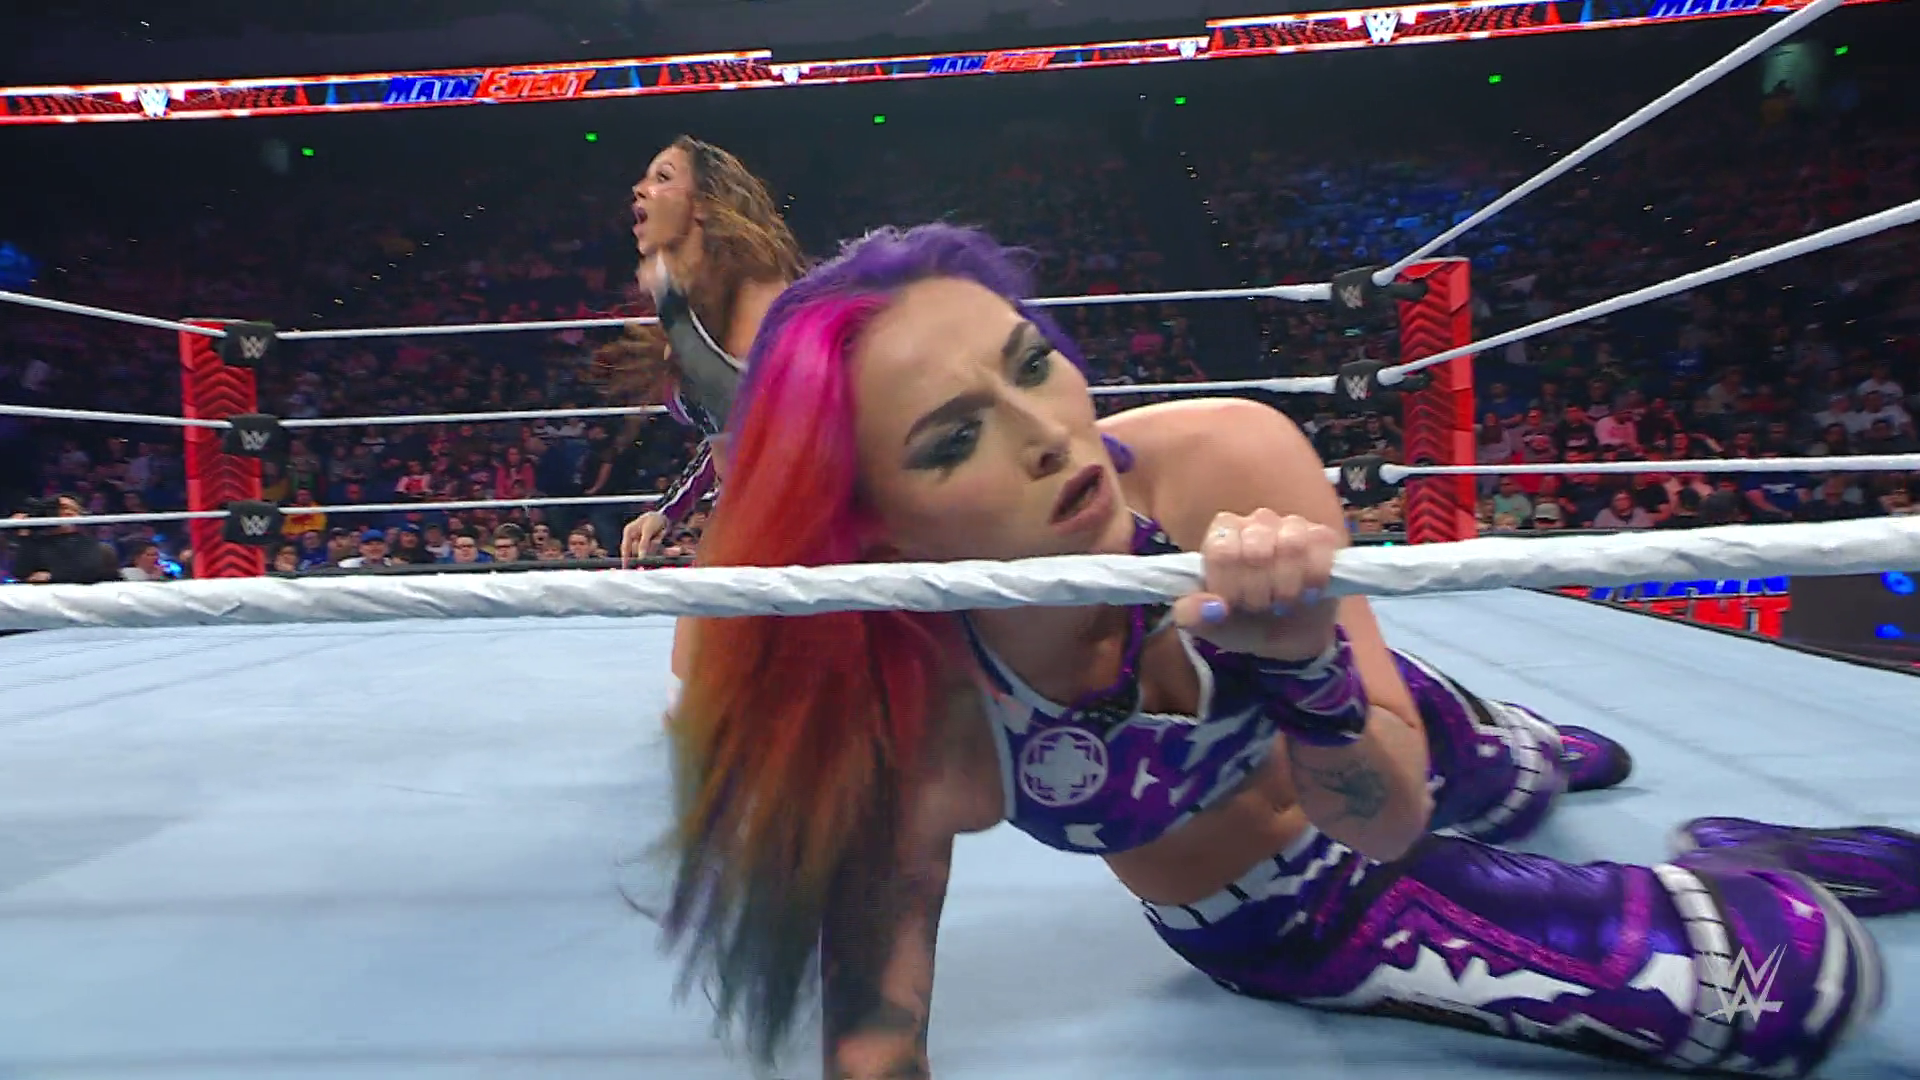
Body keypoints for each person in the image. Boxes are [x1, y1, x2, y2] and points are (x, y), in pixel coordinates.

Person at [658, 226, 1906, 1078]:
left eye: (1034, 362)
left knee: (1514, 770)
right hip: (1298, 911)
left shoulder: (1227, 458)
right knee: (1796, 978)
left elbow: (1390, 800)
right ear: (874, 523)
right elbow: (877, 1034)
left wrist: (1308, 667)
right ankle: (1737, 858)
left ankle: (1520, 755)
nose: (1048, 432)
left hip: (1382, 733)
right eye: (952, 438)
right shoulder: (919, 709)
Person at [596, 135, 803, 674]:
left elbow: (743, 406)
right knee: (694, 676)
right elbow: (725, 438)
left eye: (664, 177)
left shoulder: (761, 285)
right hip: (744, 521)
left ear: (705, 203)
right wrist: (667, 511)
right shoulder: (698, 306)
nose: (642, 188)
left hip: (809, 518)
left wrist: (670, 303)